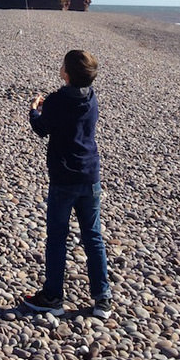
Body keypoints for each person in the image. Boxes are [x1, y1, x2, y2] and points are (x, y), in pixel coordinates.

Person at [23, 49, 112, 318]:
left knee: (57, 238)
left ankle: (52, 297)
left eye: (63, 65)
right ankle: (102, 299)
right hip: (90, 175)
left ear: (68, 73)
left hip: (64, 178)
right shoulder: (92, 98)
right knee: (93, 236)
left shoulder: (57, 100)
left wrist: (34, 110)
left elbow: (41, 129)